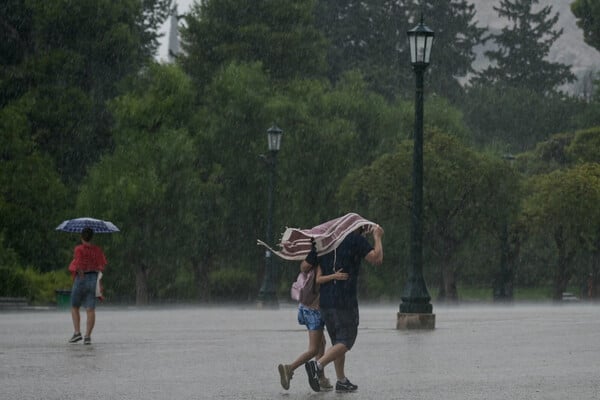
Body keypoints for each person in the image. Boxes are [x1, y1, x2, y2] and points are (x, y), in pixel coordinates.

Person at [303, 224, 384, 392]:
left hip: (325, 302)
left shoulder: (324, 242)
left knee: (337, 342)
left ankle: (341, 380)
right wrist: (377, 237)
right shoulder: (355, 240)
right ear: (357, 228)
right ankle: (317, 366)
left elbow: (304, 266)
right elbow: (377, 258)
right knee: (346, 340)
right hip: (344, 301)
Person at [277, 259, 334, 391]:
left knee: (321, 342)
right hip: (314, 311)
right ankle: (289, 368)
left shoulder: (310, 259)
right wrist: (335, 276)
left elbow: (304, 269)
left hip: (305, 307)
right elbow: (319, 280)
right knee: (313, 349)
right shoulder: (323, 261)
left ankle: (321, 378)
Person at [67, 227, 107, 345]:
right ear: (92, 237)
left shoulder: (78, 249)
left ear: (81, 237)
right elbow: (101, 266)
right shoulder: (97, 250)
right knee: (90, 309)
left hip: (81, 278)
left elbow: (78, 265)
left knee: (74, 306)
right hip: (93, 279)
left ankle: (77, 332)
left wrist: (80, 274)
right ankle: (88, 336)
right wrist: (99, 283)